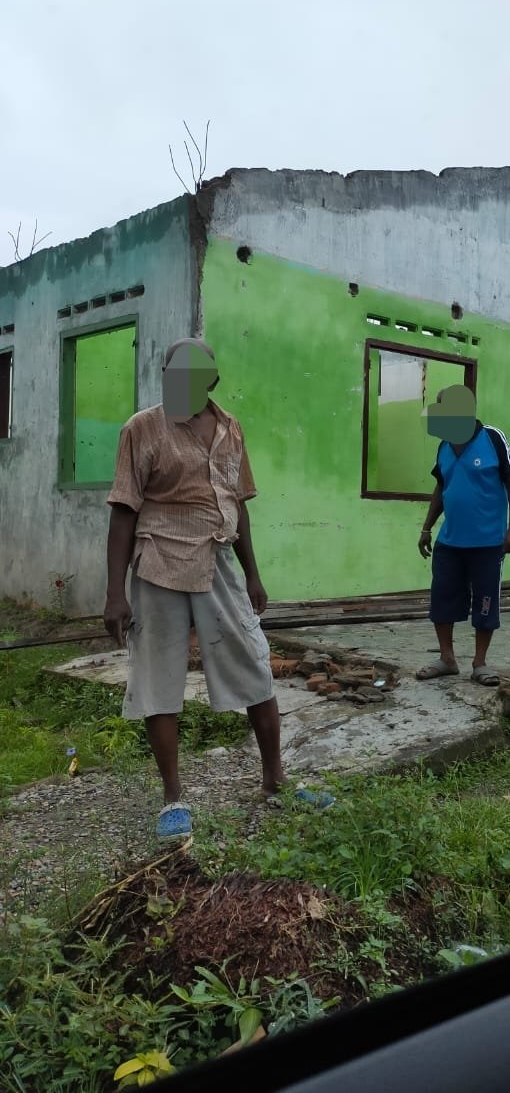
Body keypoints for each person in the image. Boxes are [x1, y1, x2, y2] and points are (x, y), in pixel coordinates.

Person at [102, 337, 333, 839]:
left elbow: (239, 501)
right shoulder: (141, 429)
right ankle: (172, 800)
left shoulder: (230, 428)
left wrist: (253, 573)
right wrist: (115, 593)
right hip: (157, 563)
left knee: (254, 662)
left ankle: (276, 783)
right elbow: (123, 510)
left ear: (211, 379)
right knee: (158, 680)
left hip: (219, 559)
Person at [417, 384, 510, 686]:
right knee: (442, 599)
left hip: (488, 542)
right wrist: (427, 527)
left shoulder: (493, 438)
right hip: (450, 541)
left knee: (485, 601)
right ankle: (447, 659)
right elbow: (441, 487)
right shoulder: (445, 445)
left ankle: (480, 662)